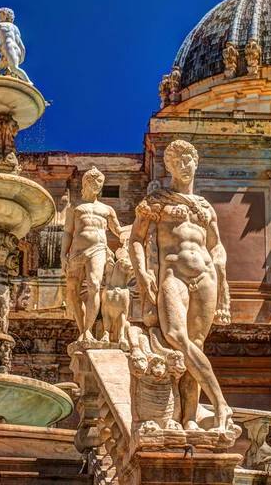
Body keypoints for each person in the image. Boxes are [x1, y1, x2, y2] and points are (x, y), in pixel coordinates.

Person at [129, 139, 235, 438]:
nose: (183, 167)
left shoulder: (204, 207)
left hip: (206, 276)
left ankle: (189, 417)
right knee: (177, 337)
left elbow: (216, 246)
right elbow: (136, 239)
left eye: (187, 161)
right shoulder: (157, 201)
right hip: (172, 273)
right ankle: (221, 403)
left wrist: (223, 281)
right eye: (176, 162)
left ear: (196, 163)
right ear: (168, 167)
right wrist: (142, 274)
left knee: (196, 345)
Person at [61, 166, 129, 342]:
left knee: (94, 285)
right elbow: (68, 232)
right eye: (96, 181)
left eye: (101, 182)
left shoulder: (106, 210)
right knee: (73, 292)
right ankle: (82, 328)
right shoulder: (74, 207)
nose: (99, 185)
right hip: (76, 252)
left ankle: (87, 331)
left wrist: (141, 225)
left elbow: (119, 231)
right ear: (86, 182)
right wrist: (63, 255)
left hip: (98, 249)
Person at [0, 7, 31, 82]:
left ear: (6, 15)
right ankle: (5, 81)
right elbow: (21, 46)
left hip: (8, 49)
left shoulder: (0, 25)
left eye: (0, 16)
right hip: (15, 51)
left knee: (14, 68)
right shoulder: (16, 28)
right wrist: (22, 57)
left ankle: (28, 82)